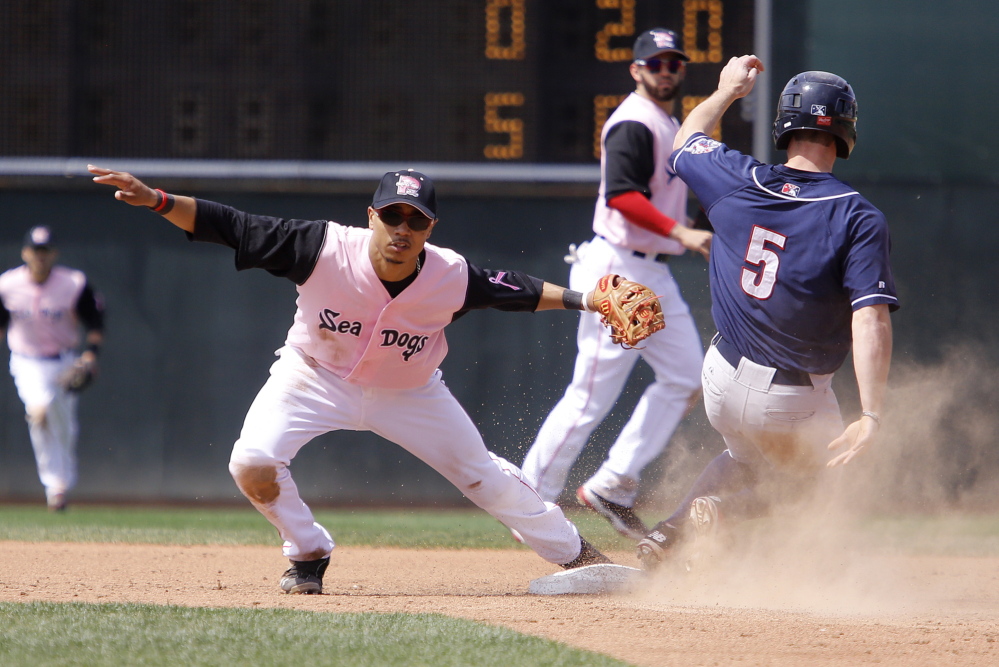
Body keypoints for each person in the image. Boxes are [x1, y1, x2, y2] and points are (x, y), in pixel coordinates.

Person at [90, 165, 617, 594]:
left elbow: (516, 288)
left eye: (416, 220)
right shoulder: (321, 247)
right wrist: (157, 199)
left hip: (410, 393)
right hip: (312, 378)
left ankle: (576, 555)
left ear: (431, 228)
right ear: (372, 217)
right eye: (393, 216)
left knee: (482, 476)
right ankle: (307, 551)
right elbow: (233, 225)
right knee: (251, 462)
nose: (403, 230)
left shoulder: (449, 275)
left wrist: (588, 298)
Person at [635, 58, 899, 569]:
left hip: (721, 379)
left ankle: (667, 535)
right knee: (826, 483)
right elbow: (870, 318)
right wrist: (871, 413)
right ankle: (724, 511)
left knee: (744, 458)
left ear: (785, 124)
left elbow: (685, 137)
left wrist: (726, 92)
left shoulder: (736, 177)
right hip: (792, 400)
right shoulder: (857, 215)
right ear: (845, 131)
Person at [521, 28, 713, 539]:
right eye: (656, 63)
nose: (666, 70)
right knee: (590, 396)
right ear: (636, 69)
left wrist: (693, 227)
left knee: (688, 378)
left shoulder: (668, 122)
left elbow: (671, 199)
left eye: (674, 62)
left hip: (652, 268)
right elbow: (623, 198)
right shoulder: (632, 122)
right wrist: (681, 231)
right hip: (617, 268)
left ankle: (613, 484)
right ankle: (528, 499)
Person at [0, 226, 105, 511]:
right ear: (25, 253)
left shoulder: (73, 283)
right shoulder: (7, 285)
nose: (40, 257)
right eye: (36, 251)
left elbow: (95, 321)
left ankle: (60, 483)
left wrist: (90, 355)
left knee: (63, 426)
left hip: (64, 362)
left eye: (45, 251)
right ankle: (55, 486)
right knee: (39, 412)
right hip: (27, 361)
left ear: (54, 254)